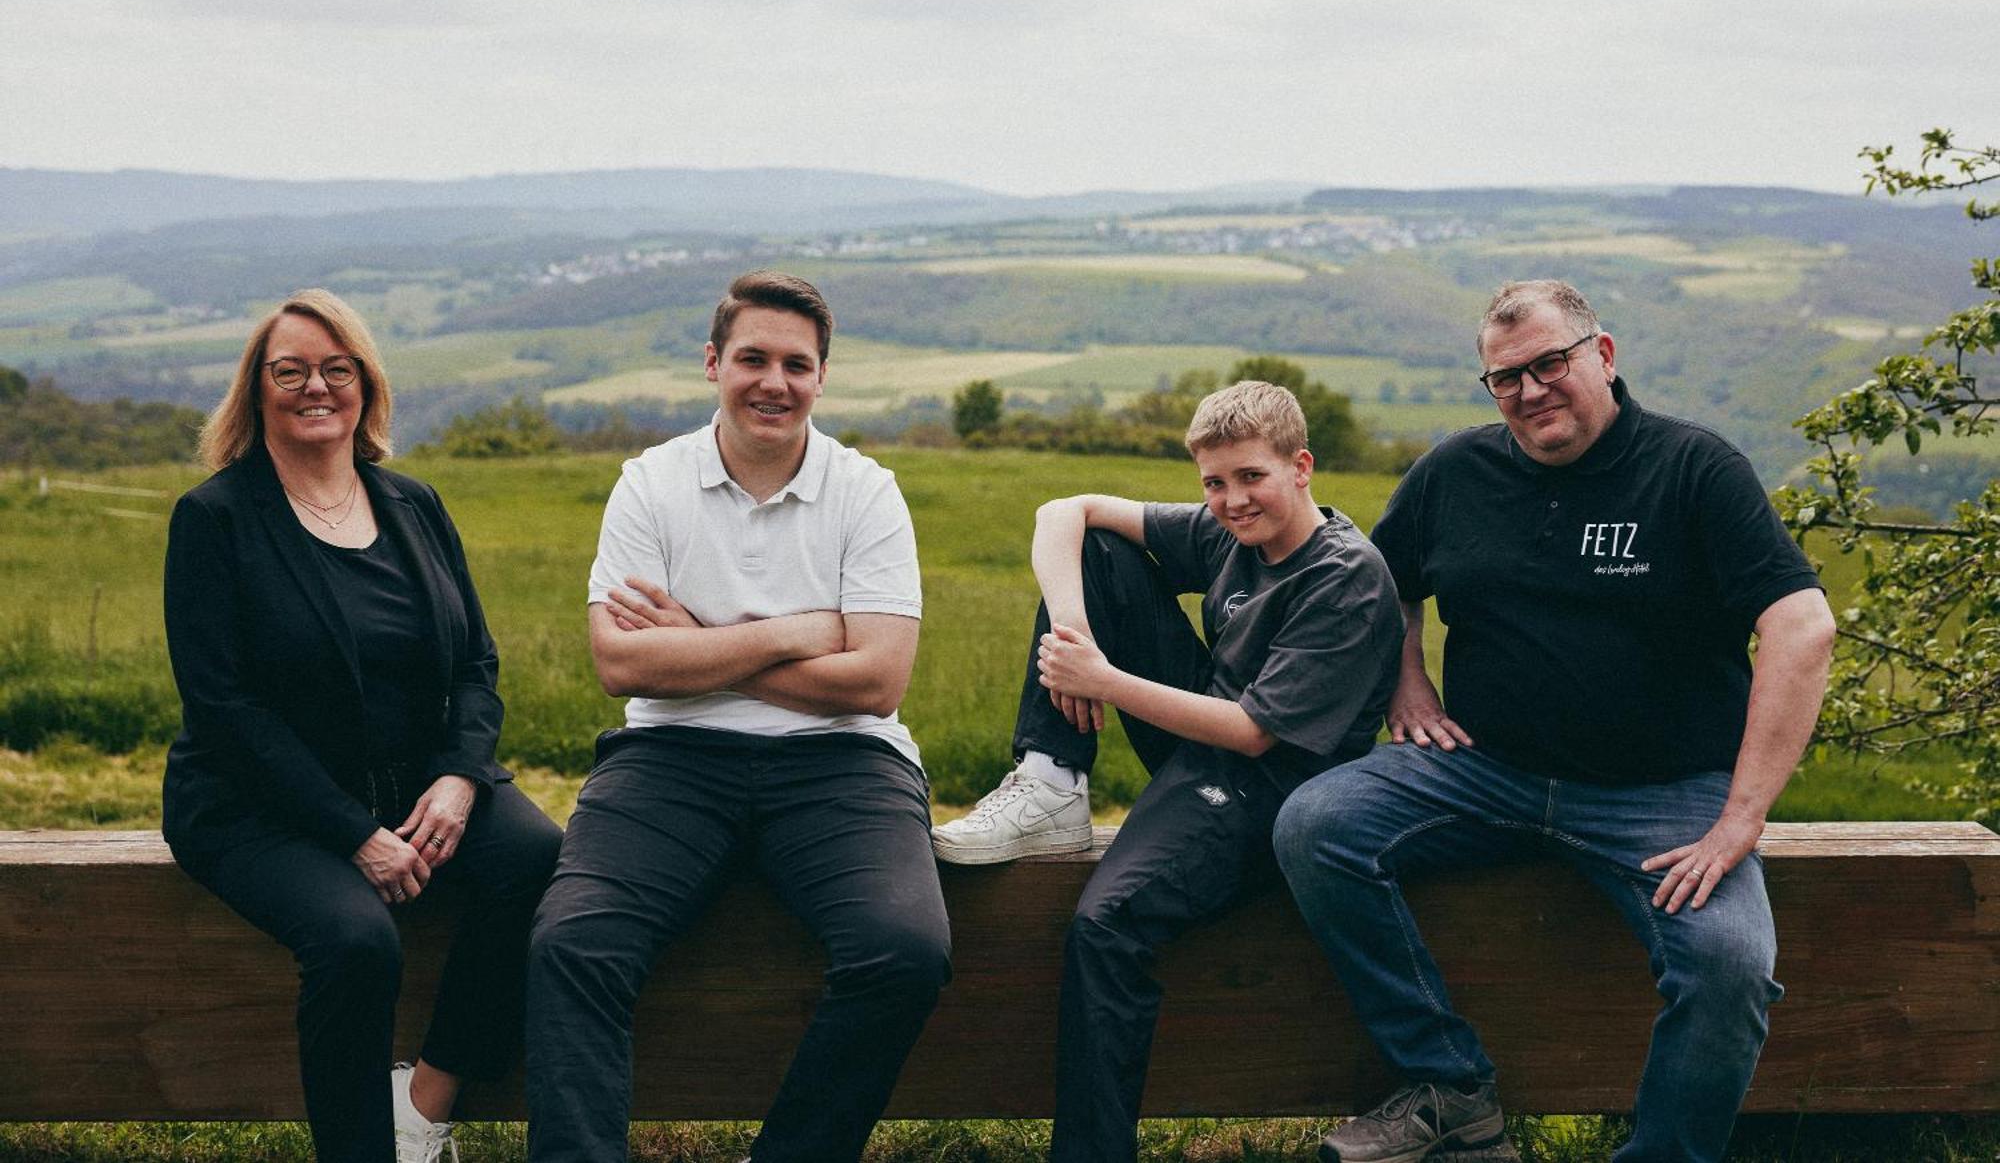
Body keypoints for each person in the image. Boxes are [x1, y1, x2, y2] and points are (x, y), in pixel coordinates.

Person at [1273, 280, 1837, 1163]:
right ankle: (1451, 1086)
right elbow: (1379, 583)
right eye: (1506, 378)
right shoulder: (1457, 471)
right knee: (1315, 825)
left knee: (1728, 965)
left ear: (1602, 355)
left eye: (1550, 364)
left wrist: (1741, 819)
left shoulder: (1693, 469)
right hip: (1483, 770)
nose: (1531, 391)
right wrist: (1404, 685)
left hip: (1662, 797)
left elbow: (1803, 626)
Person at [524, 270, 948, 1163]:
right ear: (713, 362)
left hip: (846, 762)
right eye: (752, 357)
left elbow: (876, 680)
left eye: (797, 364)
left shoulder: (867, 492)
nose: (774, 381)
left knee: (904, 950)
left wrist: (705, 646)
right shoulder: (650, 484)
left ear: (822, 379)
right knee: (573, 943)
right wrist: (800, 631)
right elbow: (622, 663)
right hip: (670, 757)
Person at [931, 379, 1405, 1163]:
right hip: (1203, 740)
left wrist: (1102, 679)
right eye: (1213, 483)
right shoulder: (1234, 533)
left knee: (1105, 925)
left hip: (1273, 793)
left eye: (1250, 476)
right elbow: (1063, 513)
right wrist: (1076, 631)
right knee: (1100, 553)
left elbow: (1254, 733)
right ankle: (1050, 776)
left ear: (1302, 467)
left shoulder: (1344, 575)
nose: (1231, 500)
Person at [162, 289, 563, 1163]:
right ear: (257, 389)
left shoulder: (413, 505)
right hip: (253, 802)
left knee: (536, 855)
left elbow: (476, 664)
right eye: (291, 370)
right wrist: (355, 836)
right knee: (355, 940)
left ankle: (423, 1107)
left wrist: (460, 777)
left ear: (365, 386)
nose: (316, 386)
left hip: (414, 780)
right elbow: (225, 712)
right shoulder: (215, 520)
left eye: (336, 369)